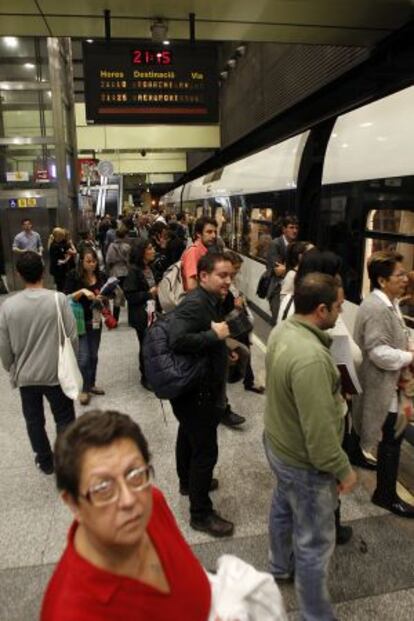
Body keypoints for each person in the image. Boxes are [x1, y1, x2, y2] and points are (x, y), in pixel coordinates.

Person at [41, 410, 211, 621]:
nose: (129, 500)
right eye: (103, 487)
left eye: (135, 474)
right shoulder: (71, 612)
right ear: (73, 503)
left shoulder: (152, 502)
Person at [264, 272, 356, 621]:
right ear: (321, 310)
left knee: (282, 507)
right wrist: (343, 471)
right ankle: (316, 615)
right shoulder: (313, 359)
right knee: (315, 545)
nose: (341, 312)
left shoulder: (283, 330)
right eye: (338, 307)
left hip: (278, 443)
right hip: (304, 462)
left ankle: (278, 565)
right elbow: (319, 439)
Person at [168, 253, 236, 537]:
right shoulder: (196, 303)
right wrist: (215, 338)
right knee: (206, 451)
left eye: (230, 276)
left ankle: (187, 482)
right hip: (198, 393)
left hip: (195, 390)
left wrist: (222, 349)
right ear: (204, 276)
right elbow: (177, 339)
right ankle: (201, 514)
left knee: (188, 436)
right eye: (222, 276)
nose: (228, 281)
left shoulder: (210, 301)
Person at [0, 251, 76, 474]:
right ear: (43, 270)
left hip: (26, 376)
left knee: (34, 420)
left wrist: (11, 367)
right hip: (56, 373)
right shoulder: (58, 299)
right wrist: (72, 364)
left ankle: (44, 460)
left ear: (18, 274)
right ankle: (65, 460)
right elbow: (71, 337)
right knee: (63, 417)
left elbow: (4, 346)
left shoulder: (8, 306)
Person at [353, 250, 414, 518]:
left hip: (393, 388)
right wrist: (410, 357)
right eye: (399, 274)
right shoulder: (378, 308)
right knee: (392, 441)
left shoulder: (389, 302)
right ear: (381, 280)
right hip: (385, 389)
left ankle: (378, 482)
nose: (405, 279)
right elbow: (378, 351)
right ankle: (385, 496)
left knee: (393, 436)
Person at [64, 247, 106, 406]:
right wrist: (82, 291)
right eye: (88, 261)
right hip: (79, 322)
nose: (92, 264)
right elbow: (66, 298)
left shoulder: (100, 276)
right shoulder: (73, 276)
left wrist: (103, 297)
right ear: (81, 261)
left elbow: (105, 294)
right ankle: (84, 389)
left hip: (95, 320)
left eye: (94, 261)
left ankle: (91, 384)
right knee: (84, 358)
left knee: (94, 356)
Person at [223, 250, 264, 394]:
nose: (237, 272)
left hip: (237, 322)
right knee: (240, 350)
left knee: (242, 349)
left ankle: (246, 379)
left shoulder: (231, 281)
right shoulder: (223, 284)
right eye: (236, 268)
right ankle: (247, 380)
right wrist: (236, 305)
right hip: (232, 323)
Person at [123, 240, 158, 391]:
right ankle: (146, 376)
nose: (153, 250)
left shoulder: (149, 268)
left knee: (152, 344)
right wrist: (148, 293)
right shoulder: (134, 271)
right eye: (150, 248)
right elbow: (130, 296)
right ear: (142, 252)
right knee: (145, 345)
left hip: (152, 311)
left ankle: (152, 373)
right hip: (141, 314)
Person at [266, 216, 299, 324]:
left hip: (290, 288)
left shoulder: (296, 245)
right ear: (284, 229)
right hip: (277, 289)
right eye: (291, 227)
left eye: (296, 228)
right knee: (278, 320)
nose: (294, 230)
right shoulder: (275, 244)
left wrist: (286, 268)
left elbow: (285, 269)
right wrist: (295, 270)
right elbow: (278, 271)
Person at [181, 216, 218, 291]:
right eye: (209, 232)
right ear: (198, 234)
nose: (214, 236)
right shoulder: (193, 252)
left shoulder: (204, 251)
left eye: (215, 232)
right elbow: (191, 286)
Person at [105, 227, 130, 322]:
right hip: (126, 271)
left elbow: (108, 260)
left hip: (115, 271)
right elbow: (129, 260)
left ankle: (115, 318)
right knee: (128, 294)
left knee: (117, 295)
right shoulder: (127, 246)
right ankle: (131, 317)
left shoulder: (111, 246)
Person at [48, 227, 76, 292]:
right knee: (60, 286)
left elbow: (69, 252)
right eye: (61, 236)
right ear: (57, 236)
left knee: (64, 284)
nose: (63, 237)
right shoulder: (54, 246)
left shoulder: (62, 244)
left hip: (63, 269)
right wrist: (65, 260)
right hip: (58, 270)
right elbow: (55, 260)